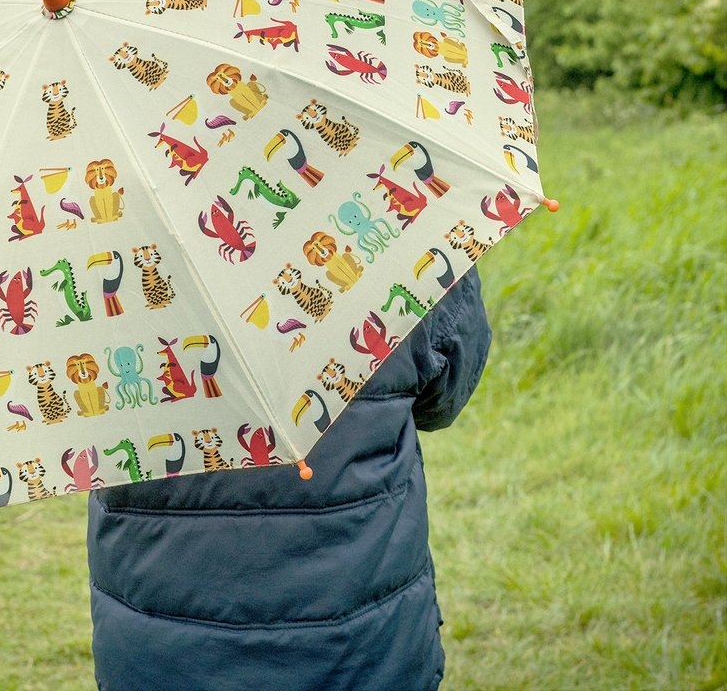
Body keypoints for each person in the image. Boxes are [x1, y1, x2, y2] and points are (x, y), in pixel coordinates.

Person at [87, 267, 492, 691]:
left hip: (157, 654)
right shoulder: (396, 221)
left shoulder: (92, 240)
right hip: (360, 647)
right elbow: (444, 394)